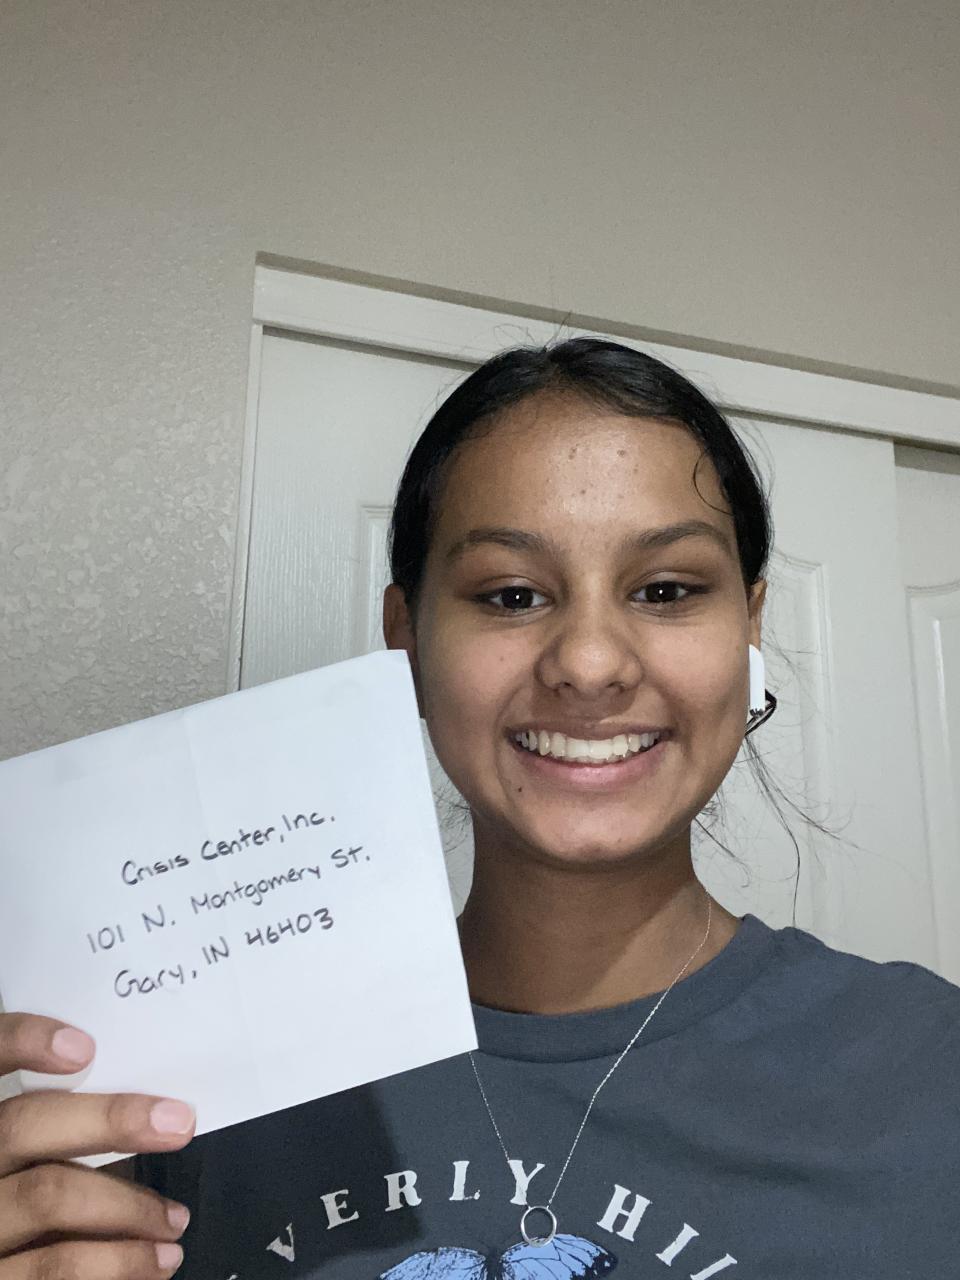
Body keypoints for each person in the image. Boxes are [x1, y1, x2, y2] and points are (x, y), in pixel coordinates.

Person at [1, 338, 958, 1278]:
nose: (590, 663)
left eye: (666, 589)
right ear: (406, 643)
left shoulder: (926, 1069)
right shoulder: (179, 1087)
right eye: (510, 595)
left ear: (749, 628)